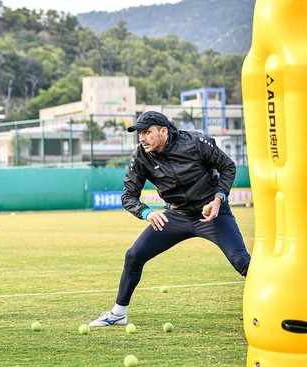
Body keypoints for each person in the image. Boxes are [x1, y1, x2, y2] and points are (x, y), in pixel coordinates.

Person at [88, 111, 250, 327]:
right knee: (134, 256)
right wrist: (146, 212)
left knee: (242, 262)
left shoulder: (196, 142)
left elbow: (227, 166)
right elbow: (128, 195)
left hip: (212, 213)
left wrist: (219, 198)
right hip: (175, 216)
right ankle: (118, 314)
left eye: (147, 132)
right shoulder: (141, 155)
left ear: (163, 131)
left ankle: (274, 305)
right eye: (139, 134)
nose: (142, 138)